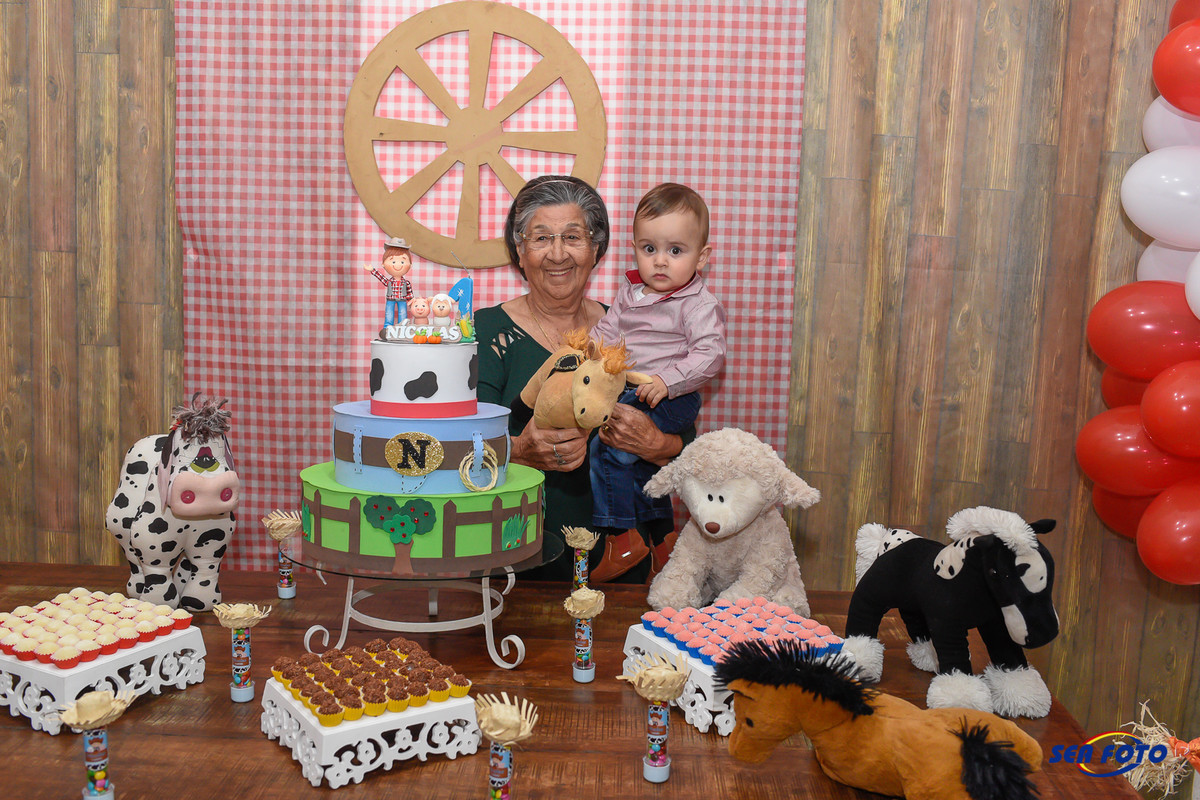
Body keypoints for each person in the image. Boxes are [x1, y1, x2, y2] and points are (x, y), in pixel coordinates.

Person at [475, 175, 689, 582]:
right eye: (541, 238)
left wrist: (656, 443)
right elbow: (450, 448)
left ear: (596, 249)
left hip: (625, 567)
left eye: (573, 237)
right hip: (512, 566)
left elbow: (687, 441)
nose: (558, 254)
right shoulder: (485, 333)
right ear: (520, 251)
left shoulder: (634, 329)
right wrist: (518, 451)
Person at [588, 183, 726, 576]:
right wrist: (588, 351)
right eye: (649, 249)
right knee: (644, 467)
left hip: (672, 395)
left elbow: (711, 354)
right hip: (636, 389)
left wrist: (667, 380)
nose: (660, 261)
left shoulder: (698, 304)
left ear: (702, 257)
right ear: (634, 249)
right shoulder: (631, 292)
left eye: (675, 251)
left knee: (608, 446)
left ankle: (621, 537)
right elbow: (609, 330)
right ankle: (664, 540)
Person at [364, 237, 414, 331]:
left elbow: (410, 294)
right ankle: (387, 328)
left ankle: (403, 329)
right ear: (383, 264)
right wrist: (372, 270)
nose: (398, 265)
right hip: (390, 299)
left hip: (402, 300)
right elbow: (382, 278)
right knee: (389, 314)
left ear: (410, 265)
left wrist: (411, 301)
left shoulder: (406, 283)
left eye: (402, 262)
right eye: (393, 261)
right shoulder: (390, 282)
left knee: (403, 314)